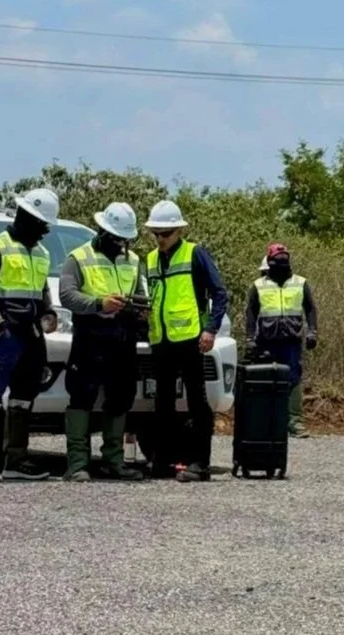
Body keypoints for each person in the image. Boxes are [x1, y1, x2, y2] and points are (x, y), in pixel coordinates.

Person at [0, 188, 60, 484]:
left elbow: (42, 290)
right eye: (41, 224)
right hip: (2, 334)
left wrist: (49, 313)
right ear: (25, 217)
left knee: (24, 397)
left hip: (31, 335)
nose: (44, 231)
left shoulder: (41, 253)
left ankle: (16, 460)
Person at [58, 202, 146, 482]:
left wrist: (141, 308)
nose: (121, 243)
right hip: (90, 337)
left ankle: (114, 462)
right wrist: (99, 303)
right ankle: (77, 464)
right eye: (116, 237)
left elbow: (141, 292)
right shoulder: (79, 257)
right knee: (81, 396)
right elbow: (67, 296)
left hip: (123, 337)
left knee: (120, 398)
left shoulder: (133, 261)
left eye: (125, 239)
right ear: (102, 231)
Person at [143, 200, 228, 483]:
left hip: (190, 339)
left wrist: (211, 329)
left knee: (196, 401)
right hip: (161, 339)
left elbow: (219, 292)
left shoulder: (195, 254)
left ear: (179, 231)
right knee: (163, 403)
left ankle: (199, 463)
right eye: (155, 233)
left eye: (165, 234)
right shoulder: (151, 259)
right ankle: (163, 461)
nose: (160, 239)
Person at [244, 243, 318, 438]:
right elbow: (250, 313)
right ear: (269, 262)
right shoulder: (258, 285)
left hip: (291, 341)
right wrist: (250, 339)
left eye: (284, 259)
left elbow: (310, 308)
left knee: (293, 379)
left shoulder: (300, 283)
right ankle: (269, 423)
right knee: (267, 380)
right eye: (277, 260)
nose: (281, 263)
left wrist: (312, 332)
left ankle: (294, 422)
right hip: (266, 341)